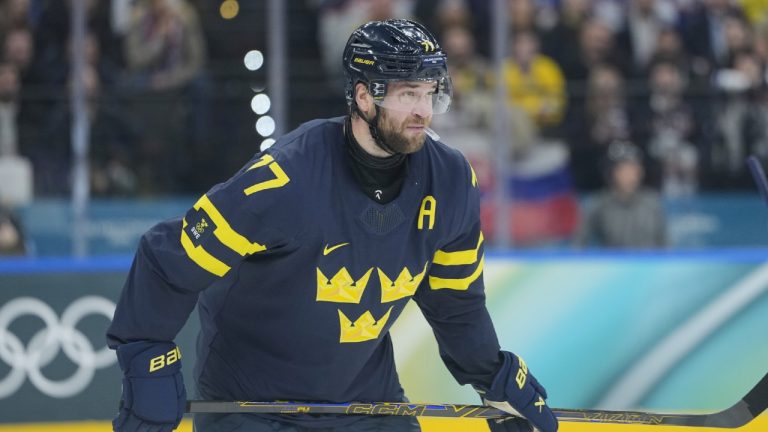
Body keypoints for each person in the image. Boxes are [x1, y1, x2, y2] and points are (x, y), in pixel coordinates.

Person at [107, 19, 558, 432]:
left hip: (368, 405)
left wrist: (490, 375)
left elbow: (455, 302)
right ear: (364, 96)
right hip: (255, 407)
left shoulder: (453, 182)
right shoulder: (286, 178)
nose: (424, 110)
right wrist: (144, 351)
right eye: (407, 94)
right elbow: (170, 256)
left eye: (430, 93)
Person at [574, 140, 666, 248]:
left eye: (634, 168)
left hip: (651, 263)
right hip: (614, 263)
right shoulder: (599, 204)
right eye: (624, 169)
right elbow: (579, 244)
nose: (631, 175)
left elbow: (665, 245)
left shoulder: (652, 202)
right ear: (612, 172)